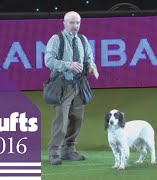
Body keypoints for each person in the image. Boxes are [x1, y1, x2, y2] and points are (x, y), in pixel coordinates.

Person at [44, 11, 99, 165]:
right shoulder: (57, 39)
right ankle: (54, 152)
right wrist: (68, 65)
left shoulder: (82, 39)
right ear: (64, 23)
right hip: (62, 85)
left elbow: (89, 57)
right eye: (72, 22)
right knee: (61, 120)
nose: (75, 26)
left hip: (79, 85)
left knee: (77, 119)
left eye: (77, 23)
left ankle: (69, 150)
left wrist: (91, 67)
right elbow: (48, 61)